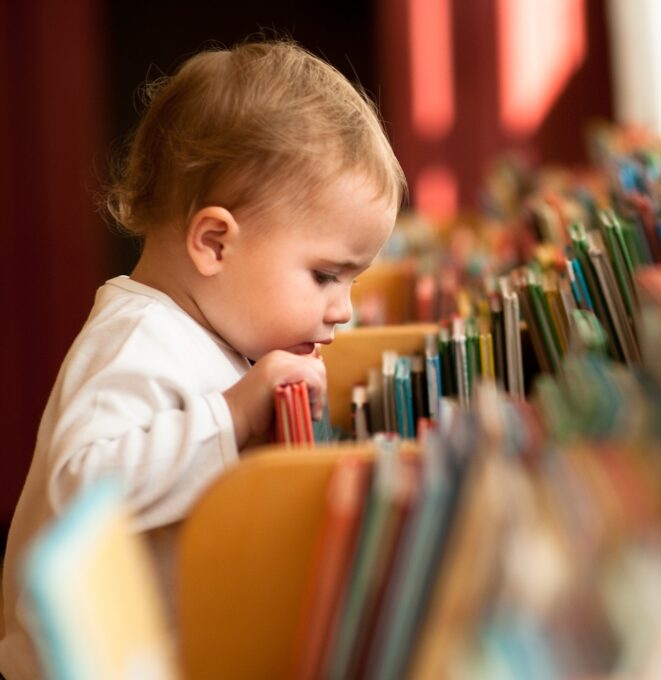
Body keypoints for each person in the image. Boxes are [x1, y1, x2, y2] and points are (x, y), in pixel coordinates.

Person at [0, 38, 405, 678]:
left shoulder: (219, 333)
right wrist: (236, 412)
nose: (344, 309)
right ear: (214, 243)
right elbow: (80, 488)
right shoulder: (136, 341)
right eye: (326, 275)